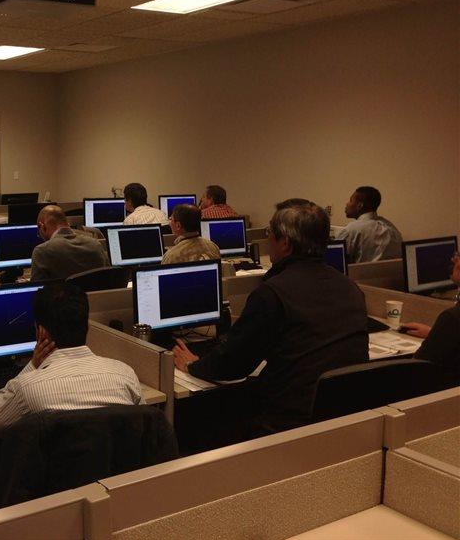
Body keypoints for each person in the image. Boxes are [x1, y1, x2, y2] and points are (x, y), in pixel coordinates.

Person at [173, 202, 368, 436]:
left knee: (197, 421)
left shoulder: (273, 293)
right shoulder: (350, 287)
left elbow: (232, 364)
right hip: (346, 416)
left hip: (286, 422)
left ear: (284, 242)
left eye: (269, 235)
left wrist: (191, 365)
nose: (267, 242)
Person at [0, 282, 144, 437]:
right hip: (115, 467)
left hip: (53, 468)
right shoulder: (125, 375)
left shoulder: (27, 388)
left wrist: (32, 366)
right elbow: (148, 424)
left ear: (40, 332)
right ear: (87, 326)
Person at [401, 251, 460, 385]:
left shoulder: (452, 318)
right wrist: (435, 333)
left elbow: (415, 369)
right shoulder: (451, 323)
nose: (453, 259)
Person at [30, 205, 108, 281]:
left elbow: (37, 290)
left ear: (42, 226)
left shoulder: (42, 251)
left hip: (65, 294)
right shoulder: (96, 244)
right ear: (67, 223)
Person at [335, 186, 402, 263]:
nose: (347, 204)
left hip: (358, 274)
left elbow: (336, 260)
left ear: (360, 205)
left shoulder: (351, 230)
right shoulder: (393, 229)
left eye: (350, 200)